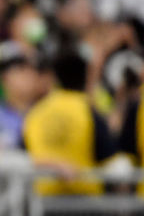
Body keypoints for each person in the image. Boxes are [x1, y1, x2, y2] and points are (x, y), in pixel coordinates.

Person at [22, 50, 117, 196]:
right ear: (86, 77)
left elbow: (23, 154)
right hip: (83, 198)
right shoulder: (87, 110)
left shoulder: (36, 112)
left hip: (44, 198)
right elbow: (108, 156)